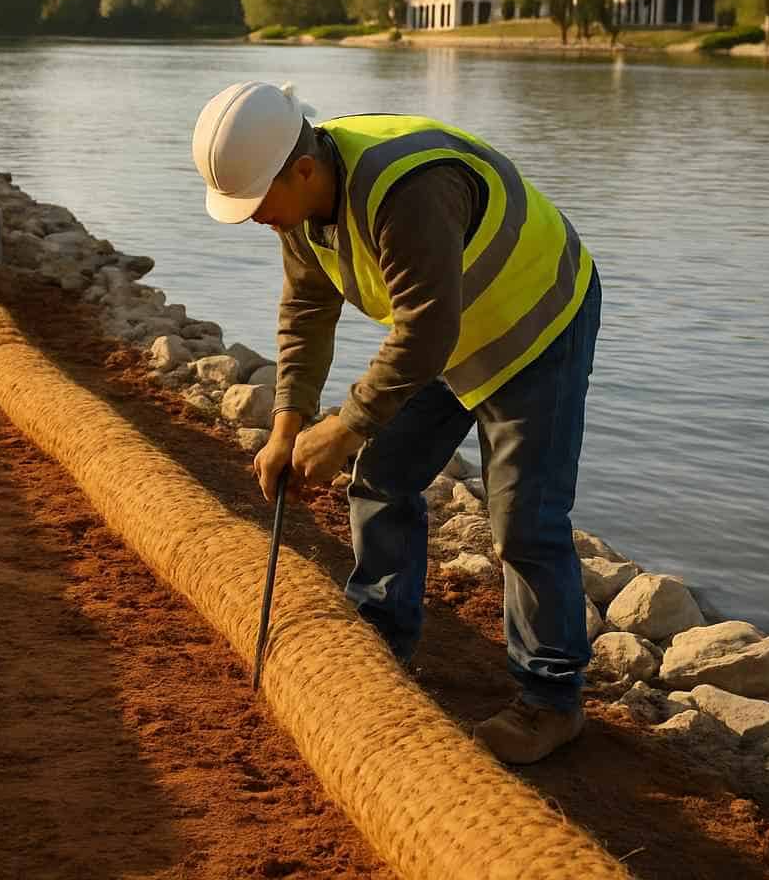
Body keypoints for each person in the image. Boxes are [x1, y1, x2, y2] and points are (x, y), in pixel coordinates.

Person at [191, 81, 602, 765]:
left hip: (535, 322)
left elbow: (427, 330)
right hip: (446, 331)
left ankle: (552, 699)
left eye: (257, 203)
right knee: (381, 475)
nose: (256, 219)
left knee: (523, 520)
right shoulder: (299, 208)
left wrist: (346, 425)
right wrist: (290, 424)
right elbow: (306, 313)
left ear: (301, 169)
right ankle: (382, 634)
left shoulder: (408, 192)